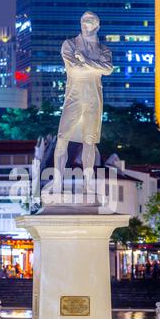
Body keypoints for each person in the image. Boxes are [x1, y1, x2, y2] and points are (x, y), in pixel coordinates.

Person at [53, 11, 113, 193]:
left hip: (94, 98)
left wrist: (85, 60)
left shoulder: (103, 49)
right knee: (62, 138)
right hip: (74, 96)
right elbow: (75, 68)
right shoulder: (69, 44)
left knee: (89, 142)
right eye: (84, 22)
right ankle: (57, 183)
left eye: (90, 23)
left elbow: (108, 69)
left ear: (97, 26)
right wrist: (94, 66)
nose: (86, 26)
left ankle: (88, 185)